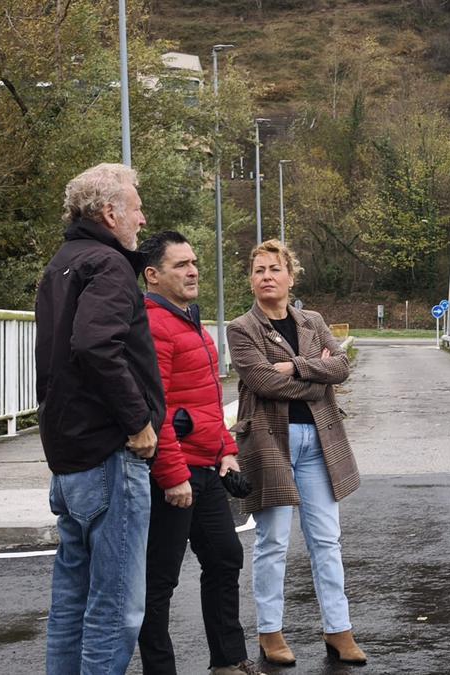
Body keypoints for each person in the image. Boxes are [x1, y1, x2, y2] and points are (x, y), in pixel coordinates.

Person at [35, 162, 163, 674]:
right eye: (135, 206)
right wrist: (139, 422)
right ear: (111, 213)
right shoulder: (108, 265)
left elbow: (59, 355)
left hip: (68, 457)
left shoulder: (62, 262)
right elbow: (94, 345)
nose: (143, 218)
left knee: (70, 603)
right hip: (109, 455)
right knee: (115, 607)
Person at [227, 240, 366, 666]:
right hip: (271, 442)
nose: (266, 275)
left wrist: (293, 366)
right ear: (251, 280)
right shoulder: (241, 328)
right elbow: (264, 383)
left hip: (320, 442)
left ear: (290, 276)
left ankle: (338, 630)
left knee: (327, 539)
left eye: (274, 268)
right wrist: (314, 371)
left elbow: (341, 367)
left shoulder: (313, 320)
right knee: (273, 541)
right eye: (258, 270)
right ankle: (271, 632)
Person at [135, 231, 266, 675]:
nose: (192, 271)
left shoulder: (188, 319)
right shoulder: (153, 325)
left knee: (225, 557)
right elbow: (159, 408)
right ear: (152, 275)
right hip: (175, 473)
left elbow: (207, 403)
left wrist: (227, 451)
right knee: (159, 580)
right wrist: (172, 474)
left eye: (193, 262)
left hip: (207, 467)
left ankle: (227, 660)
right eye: (180, 265)